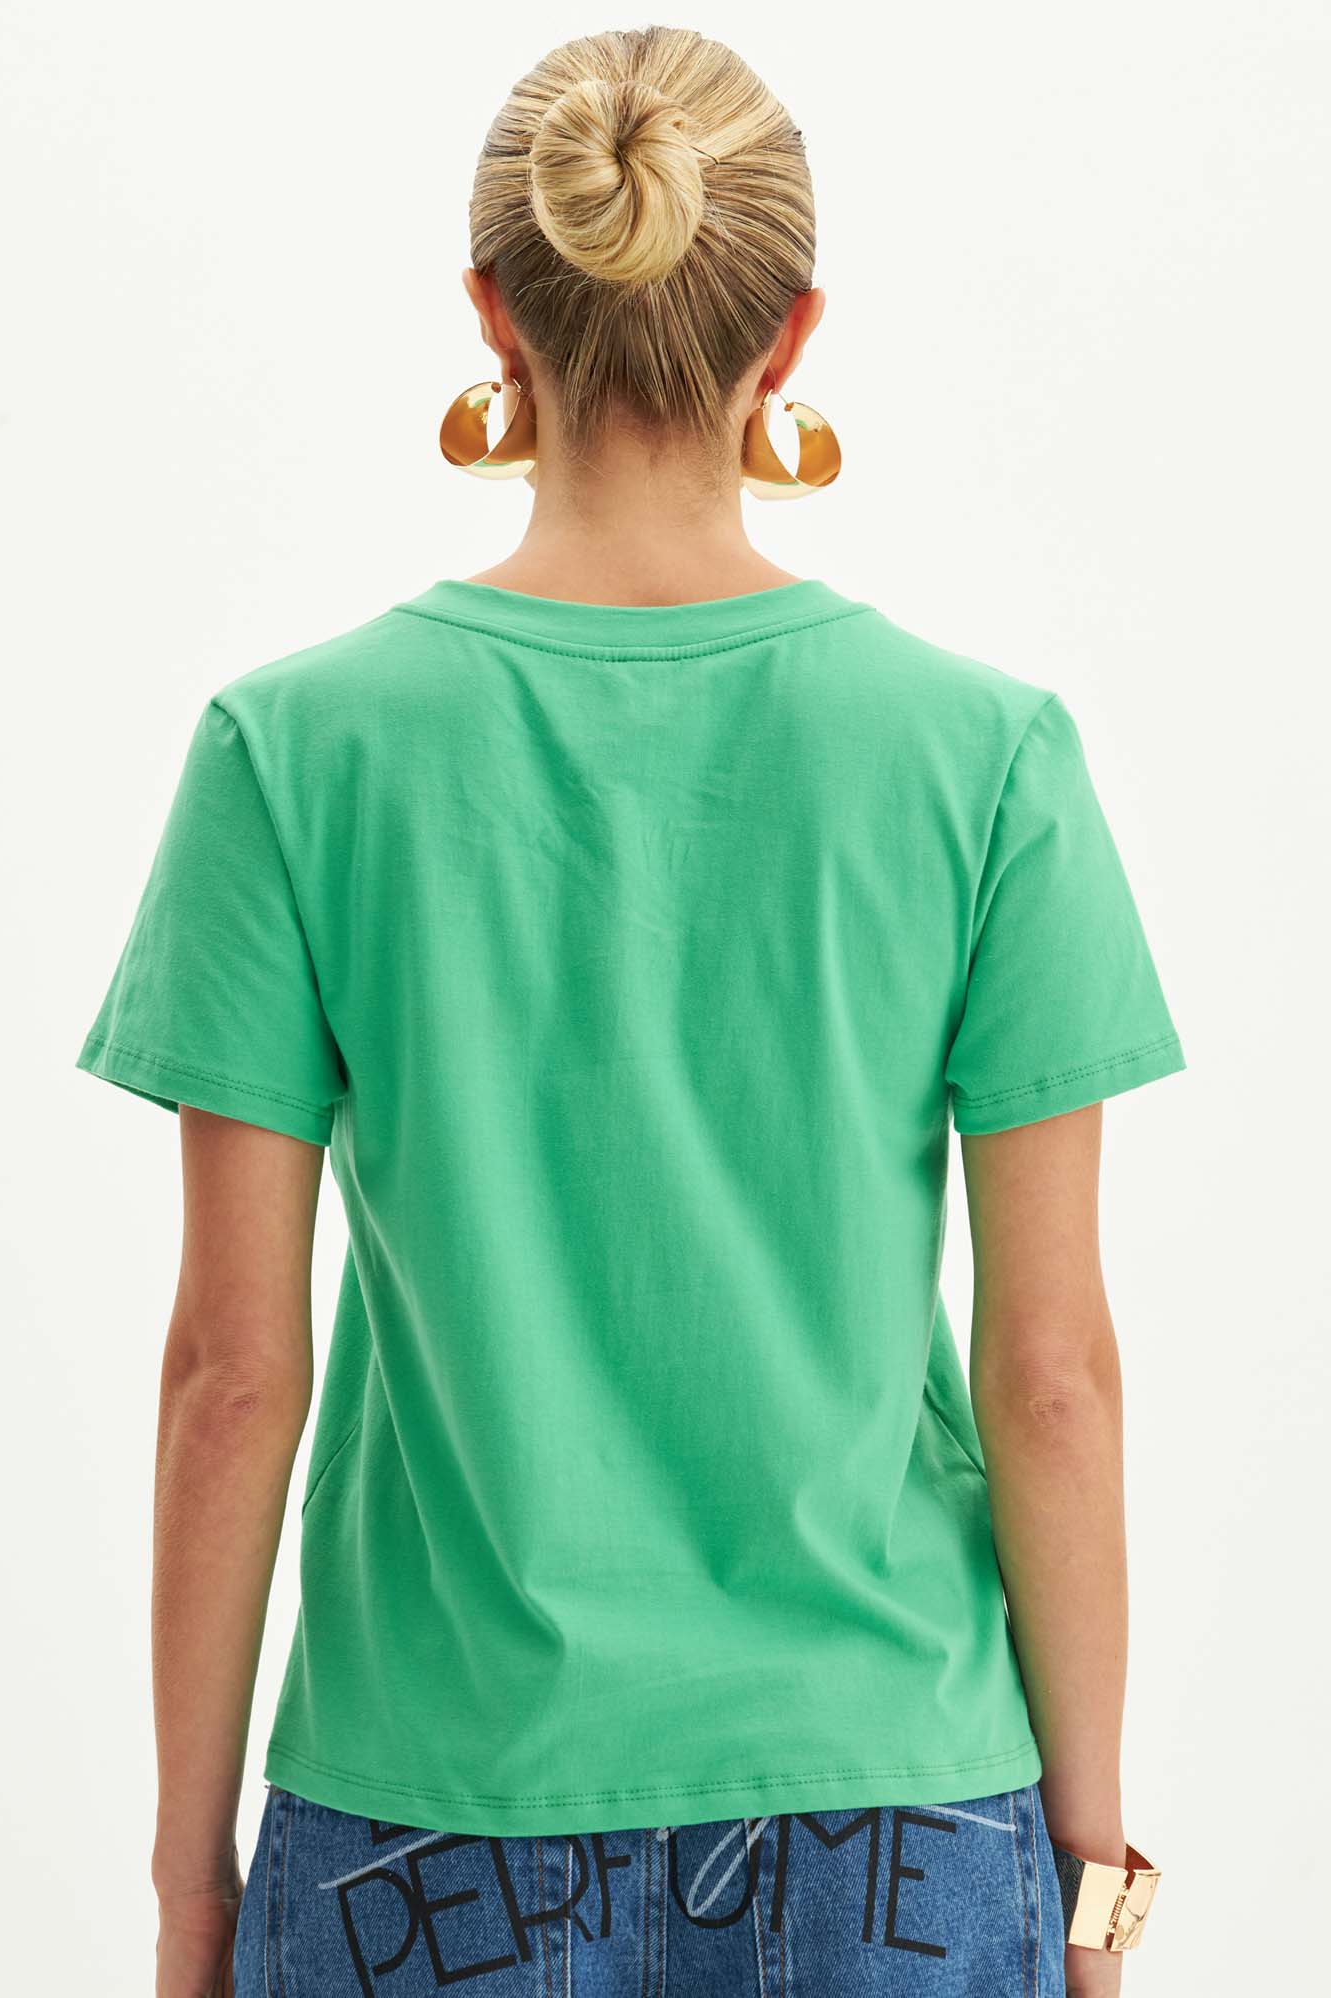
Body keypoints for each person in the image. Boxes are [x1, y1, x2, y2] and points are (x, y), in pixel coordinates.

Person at [75, 26, 1184, 1997]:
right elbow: (1051, 1381)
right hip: (899, 1815)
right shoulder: (986, 759)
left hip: (421, 1820)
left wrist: (189, 1888)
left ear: (494, 315)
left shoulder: (292, 751)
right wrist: (1096, 1896)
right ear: (794, 332)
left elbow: (231, 1378)